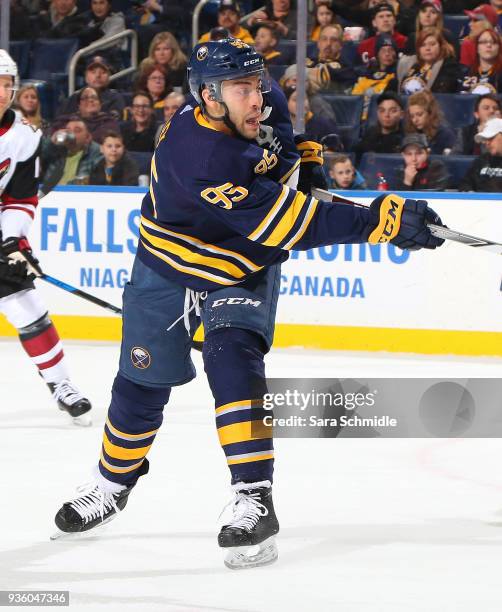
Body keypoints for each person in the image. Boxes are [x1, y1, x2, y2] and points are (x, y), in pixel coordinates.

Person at [52, 39, 444, 569]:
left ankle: (254, 497)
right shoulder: (198, 152)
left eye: (256, 83)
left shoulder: (258, 102)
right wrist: (380, 222)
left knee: (233, 360)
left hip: (240, 266)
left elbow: (281, 135)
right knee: (140, 381)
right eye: (240, 88)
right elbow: (292, 225)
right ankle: (111, 484)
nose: (255, 96)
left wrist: (301, 157)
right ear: (208, 96)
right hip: (168, 264)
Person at [0, 51, 92, 424]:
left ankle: (61, 385)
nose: (3, 92)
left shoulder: (24, 137)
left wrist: (12, 241)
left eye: (8, 85)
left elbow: (19, 197)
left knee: (27, 306)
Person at [40, 117, 102, 195]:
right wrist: (52, 142)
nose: (71, 133)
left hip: (77, 196)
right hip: (49, 195)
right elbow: (36, 159)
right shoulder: (55, 151)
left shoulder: (94, 153)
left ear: (87, 138)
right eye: (68, 130)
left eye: (77, 130)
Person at [57, 56, 125, 120]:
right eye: (93, 72)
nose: (98, 75)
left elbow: (114, 122)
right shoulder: (75, 98)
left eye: (103, 72)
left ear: (108, 77)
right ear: (86, 77)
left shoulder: (115, 98)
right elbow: (60, 120)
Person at [395, 27, 460, 94]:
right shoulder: (413, 65)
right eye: (423, 45)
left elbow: (442, 93)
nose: (427, 48)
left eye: (432, 44)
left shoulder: (449, 66)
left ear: (441, 46)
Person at [404, 90, 457, 154]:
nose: (415, 120)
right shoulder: (411, 134)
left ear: (430, 113)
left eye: (419, 114)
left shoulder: (446, 134)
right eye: (412, 116)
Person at [355, 91, 404, 158]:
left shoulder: (406, 139)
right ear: (377, 113)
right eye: (382, 110)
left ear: (402, 114)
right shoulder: (370, 134)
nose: (386, 115)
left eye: (393, 111)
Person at [459, 117, 502, 191]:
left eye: (491, 138)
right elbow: (465, 185)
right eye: (486, 139)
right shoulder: (480, 161)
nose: (487, 143)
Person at [459, 29, 502, 94]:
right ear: (477, 48)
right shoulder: (464, 73)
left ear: (499, 48)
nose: (489, 45)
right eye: (484, 42)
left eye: (494, 42)